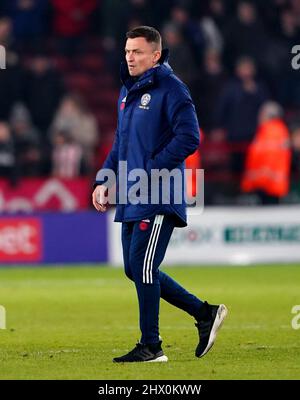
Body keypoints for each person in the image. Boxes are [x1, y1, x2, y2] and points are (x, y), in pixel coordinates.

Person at [92, 26, 227, 363]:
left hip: (158, 193)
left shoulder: (172, 89)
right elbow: (120, 144)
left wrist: (152, 166)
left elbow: (189, 138)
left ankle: (151, 346)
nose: (130, 57)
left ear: (156, 55)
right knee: (134, 269)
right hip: (131, 196)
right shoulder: (128, 92)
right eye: (126, 51)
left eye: (137, 51)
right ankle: (204, 312)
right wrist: (103, 179)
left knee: (144, 266)